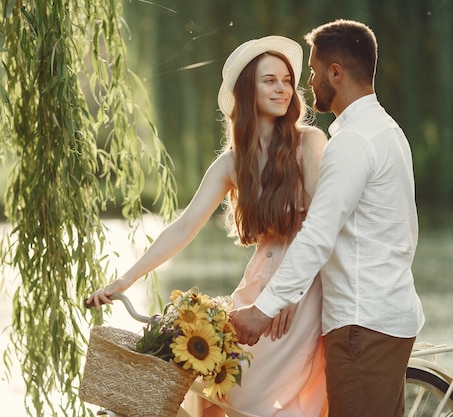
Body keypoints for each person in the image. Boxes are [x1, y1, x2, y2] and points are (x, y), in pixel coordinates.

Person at [86, 36, 329, 417]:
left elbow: (320, 225)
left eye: (286, 80)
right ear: (248, 90)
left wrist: (289, 295)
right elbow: (182, 227)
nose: (282, 88)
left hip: (302, 286)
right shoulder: (233, 163)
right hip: (257, 282)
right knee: (216, 390)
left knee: (254, 399)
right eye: (270, 80)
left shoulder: (310, 143)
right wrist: (124, 281)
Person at [230, 19, 425, 417]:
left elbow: (317, 233)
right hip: (390, 315)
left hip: (361, 326)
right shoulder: (387, 131)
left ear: (336, 73)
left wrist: (263, 308)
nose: (309, 83)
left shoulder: (351, 142)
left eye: (315, 72)